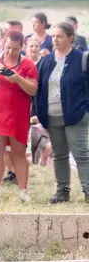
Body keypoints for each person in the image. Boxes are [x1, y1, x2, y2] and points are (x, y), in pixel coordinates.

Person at [0, 30, 38, 202]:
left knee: (18, 153)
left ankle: (24, 191)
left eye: (15, 49)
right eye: (9, 47)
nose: (11, 51)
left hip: (17, 115)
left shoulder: (27, 65)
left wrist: (19, 79)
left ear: (21, 47)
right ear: (4, 43)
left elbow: (33, 89)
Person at [36, 22, 89, 203]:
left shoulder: (82, 59)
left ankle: (88, 190)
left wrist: (86, 111)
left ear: (70, 38)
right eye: (53, 36)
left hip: (75, 115)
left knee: (81, 154)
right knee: (59, 155)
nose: (55, 40)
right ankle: (62, 191)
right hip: (52, 116)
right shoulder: (46, 61)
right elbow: (39, 87)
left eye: (59, 36)